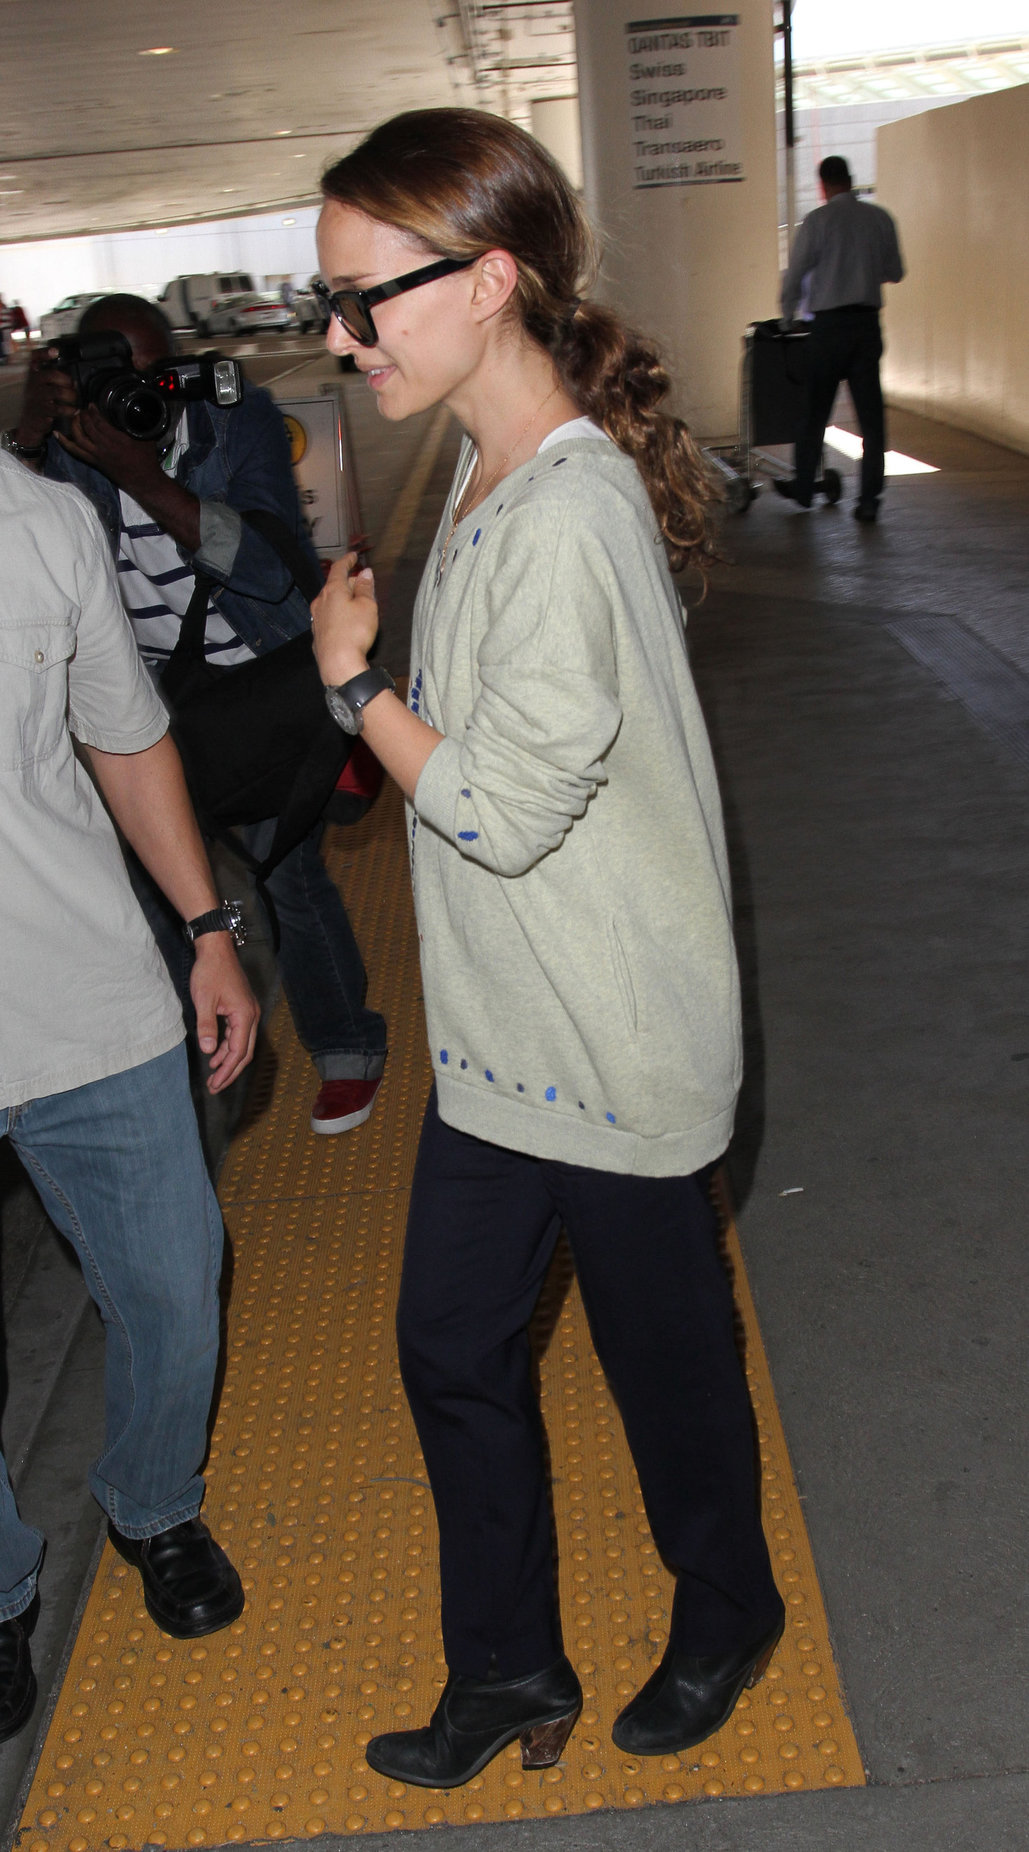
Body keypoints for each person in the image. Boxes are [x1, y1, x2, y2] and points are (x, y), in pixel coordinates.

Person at [308, 107, 786, 1788]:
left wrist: (352, 683)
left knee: (667, 1380)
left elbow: (501, 807)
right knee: (450, 1345)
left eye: (364, 298)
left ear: (488, 277)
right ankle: (508, 1665)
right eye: (333, 301)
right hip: (514, 1033)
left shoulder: (566, 513)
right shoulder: (478, 456)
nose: (338, 334)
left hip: (616, 1036)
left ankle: (725, 1612)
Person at [0, 444, 261, 1742]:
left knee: (173, 1277)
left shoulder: (42, 522)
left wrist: (210, 932)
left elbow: (127, 735)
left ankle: (153, 1504)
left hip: (81, 990)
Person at [6, 294, 387, 1136]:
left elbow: (266, 567)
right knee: (164, 893)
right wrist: (32, 435)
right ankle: (195, 1053)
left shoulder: (234, 418)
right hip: (147, 706)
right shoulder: (65, 446)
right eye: (116, 377)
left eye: (158, 374)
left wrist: (142, 474)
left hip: (257, 683)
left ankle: (346, 1045)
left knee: (285, 872)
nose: (144, 394)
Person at [777, 154, 904, 523]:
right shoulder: (880, 218)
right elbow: (895, 272)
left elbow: (795, 275)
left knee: (814, 413)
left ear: (823, 185)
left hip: (828, 330)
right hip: (865, 328)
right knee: (871, 419)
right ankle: (868, 500)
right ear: (851, 179)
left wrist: (788, 319)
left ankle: (803, 489)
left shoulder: (817, 222)